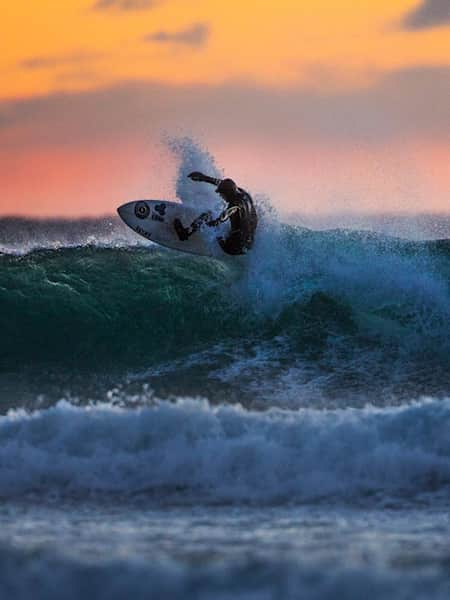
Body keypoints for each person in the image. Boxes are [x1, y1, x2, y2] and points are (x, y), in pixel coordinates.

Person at [173, 172, 258, 255]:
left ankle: (185, 234)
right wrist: (204, 178)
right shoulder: (244, 194)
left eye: (221, 194)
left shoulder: (235, 204)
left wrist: (218, 221)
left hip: (231, 248)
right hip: (248, 245)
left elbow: (230, 211)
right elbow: (222, 183)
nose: (221, 196)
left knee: (207, 215)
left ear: (228, 193)